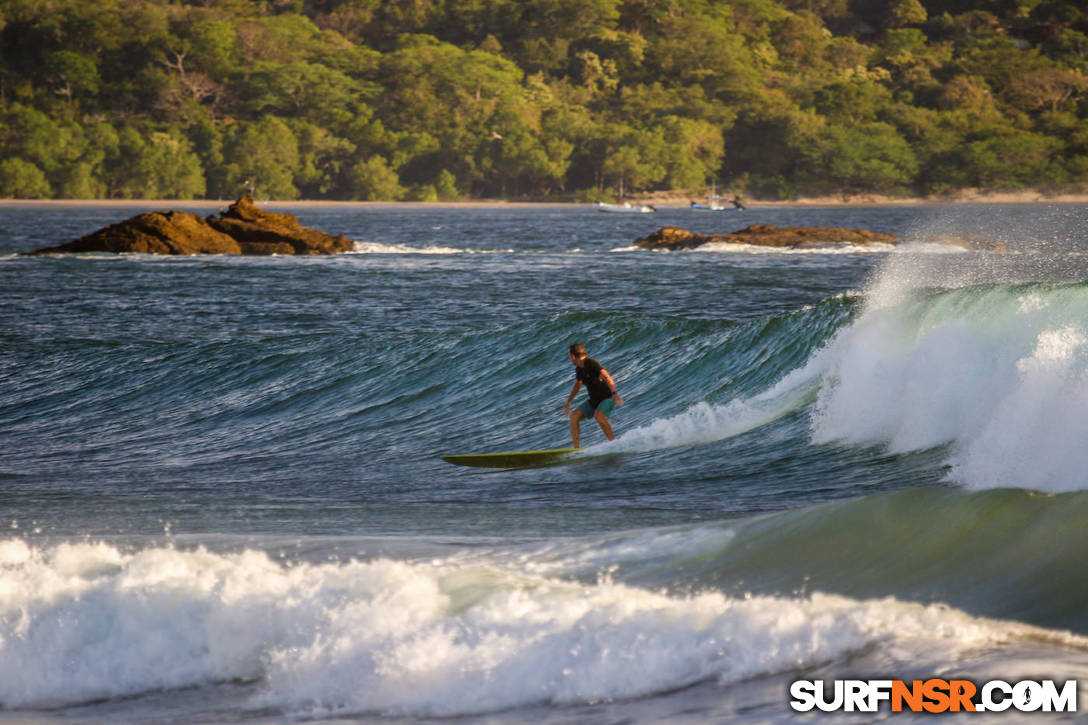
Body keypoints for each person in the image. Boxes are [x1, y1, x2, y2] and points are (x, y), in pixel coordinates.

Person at [563, 343, 623, 448]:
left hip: (608, 398)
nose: (569, 359)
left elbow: (607, 376)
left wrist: (615, 393)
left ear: (573, 356)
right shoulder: (579, 369)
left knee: (598, 415)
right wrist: (568, 402)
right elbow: (577, 386)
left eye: (569, 356)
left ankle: (614, 444)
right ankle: (576, 449)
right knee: (574, 416)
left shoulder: (592, 363)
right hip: (594, 401)